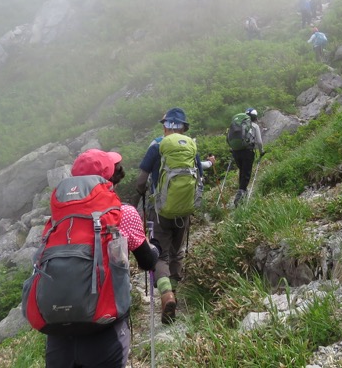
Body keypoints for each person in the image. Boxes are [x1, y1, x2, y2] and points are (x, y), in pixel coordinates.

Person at [45, 149, 159, 368]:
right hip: (104, 331)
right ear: (111, 178)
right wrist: (155, 249)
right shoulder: (122, 213)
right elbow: (147, 262)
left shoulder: (58, 219)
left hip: (58, 333)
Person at [134, 107, 215, 324]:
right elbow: (199, 172)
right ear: (184, 127)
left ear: (166, 126)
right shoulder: (190, 146)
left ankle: (166, 294)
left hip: (160, 211)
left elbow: (141, 180)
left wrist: (142, 193)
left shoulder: (157, 144)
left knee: (159, 254)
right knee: (177, 252)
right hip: (184, 210)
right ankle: (175, 294)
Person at [230, 107, 264, 207]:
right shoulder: (255, 126)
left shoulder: (239, 125)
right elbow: (259, 142)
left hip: (236, 151)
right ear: (255, 117)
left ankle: (242, 191)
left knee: (242, 171)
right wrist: (261, 152)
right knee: (246, 173)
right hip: (248, 151)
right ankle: (240, 196)